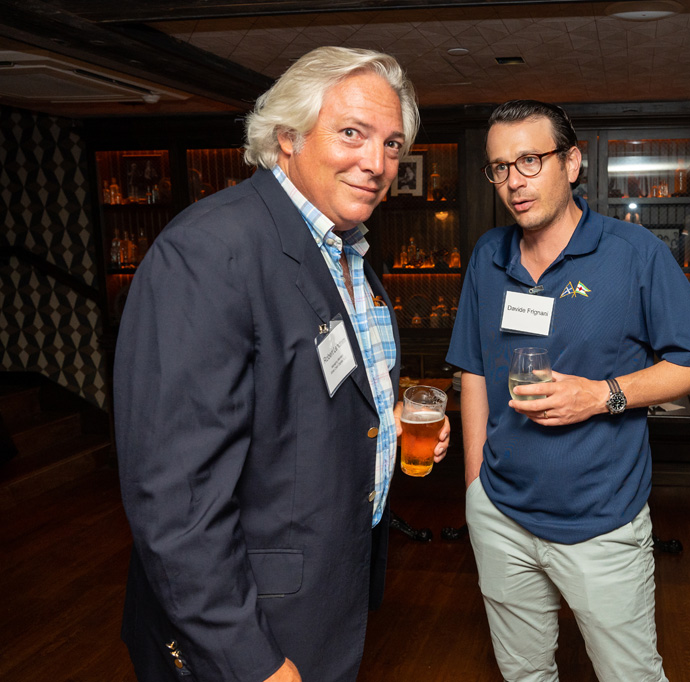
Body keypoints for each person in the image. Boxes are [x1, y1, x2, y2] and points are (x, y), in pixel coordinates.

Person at [115, 46, 449, 682]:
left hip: (324, 591)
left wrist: (388, 421)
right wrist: (249, 659)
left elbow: (311, 395)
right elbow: (176, 498)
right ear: (287, 136)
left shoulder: (345, 249)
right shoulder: (211, 251)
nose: (377, 163)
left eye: (391, 144)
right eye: (352, 133)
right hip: (248, 627)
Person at [446, 100, 690, 681]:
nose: (514, 181)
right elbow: (472, 369)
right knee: (524, 675)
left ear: (571, 163)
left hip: (602, 521)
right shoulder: (488, 256)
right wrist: (475, 485)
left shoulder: (635, 253)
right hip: (501, 515)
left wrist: (602, 395)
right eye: (500, 167)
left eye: (530, 160)